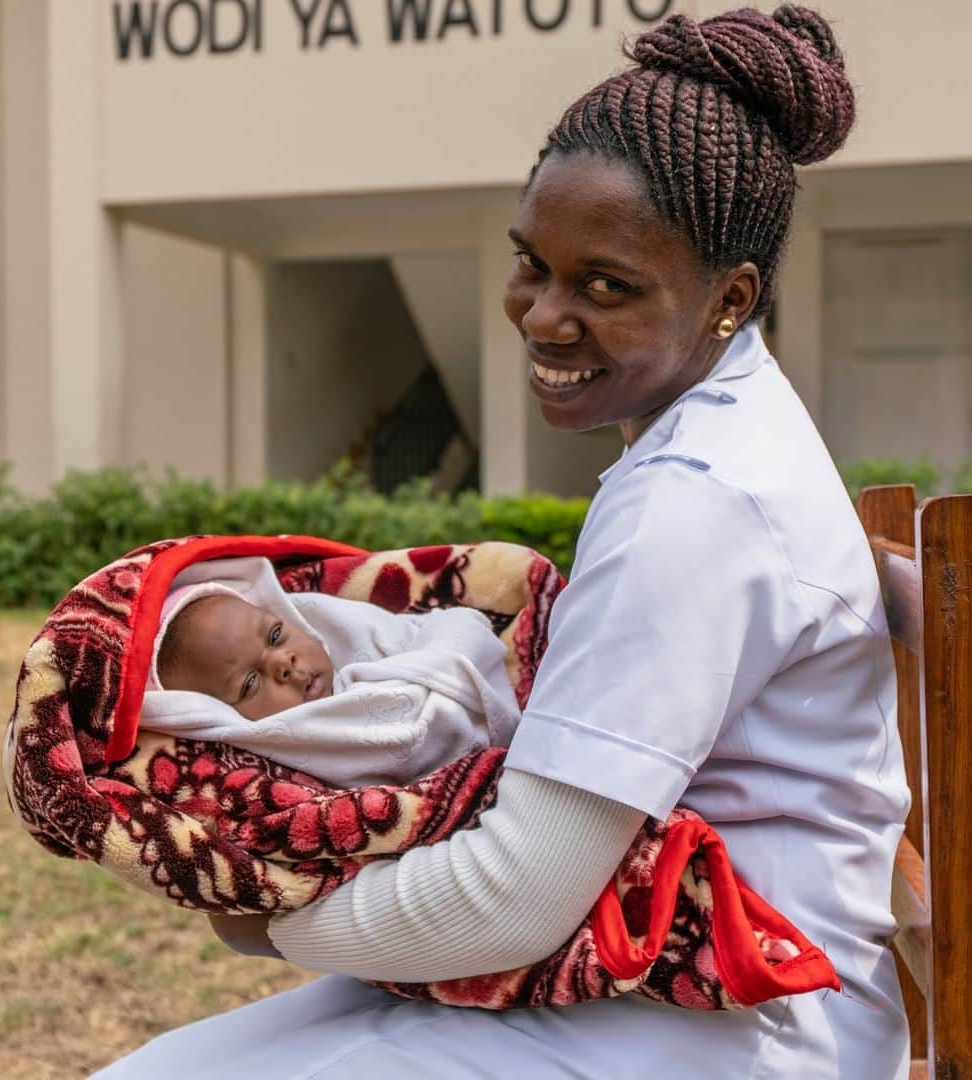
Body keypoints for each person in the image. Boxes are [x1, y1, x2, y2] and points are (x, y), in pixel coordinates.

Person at [96, 6, 911, 1077]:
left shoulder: (698, 502)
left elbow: (516, 893)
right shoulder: (723, 438)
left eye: (606, 287)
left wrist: (267, 912)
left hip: (741, 1015)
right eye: (533, 263)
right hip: (665, 967)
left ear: (731, 298)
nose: (541, 315)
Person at [139, 564, 521, 787]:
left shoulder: (354, 635)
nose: (283, 663)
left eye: (276, 635)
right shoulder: (278, 768)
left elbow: (457, 628)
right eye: (250, 683)